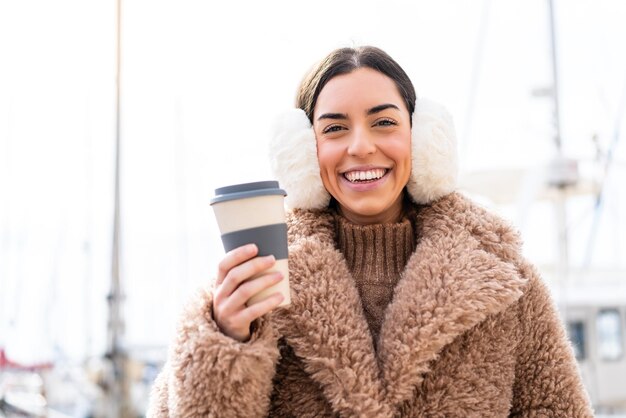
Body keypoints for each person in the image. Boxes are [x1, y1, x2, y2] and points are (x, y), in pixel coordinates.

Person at [147, 46, 593, 417]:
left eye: (384, 122)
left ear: (422, 140)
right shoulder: (255, 285)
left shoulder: (506, 285)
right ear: (304, 151)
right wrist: (227, 341)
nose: (360, 146)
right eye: (335, 128)